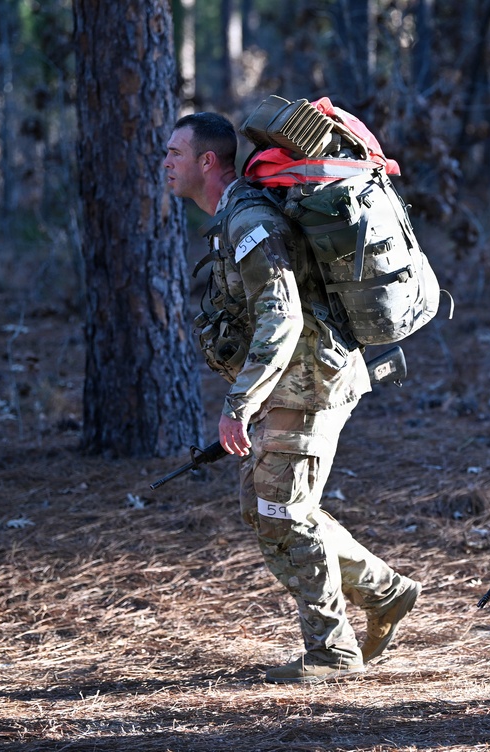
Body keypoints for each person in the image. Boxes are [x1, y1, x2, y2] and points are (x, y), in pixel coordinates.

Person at [163, 111, 420, 683]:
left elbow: (282, 315)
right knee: (266, 508)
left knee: (281, 512)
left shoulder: (249, 219)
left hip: (309, 383)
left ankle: (332, 652)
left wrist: (238, 403)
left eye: (174, 154)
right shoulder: (237, 215)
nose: (166, 164)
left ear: (208, 161)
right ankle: (386, 593)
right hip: (297, 381)